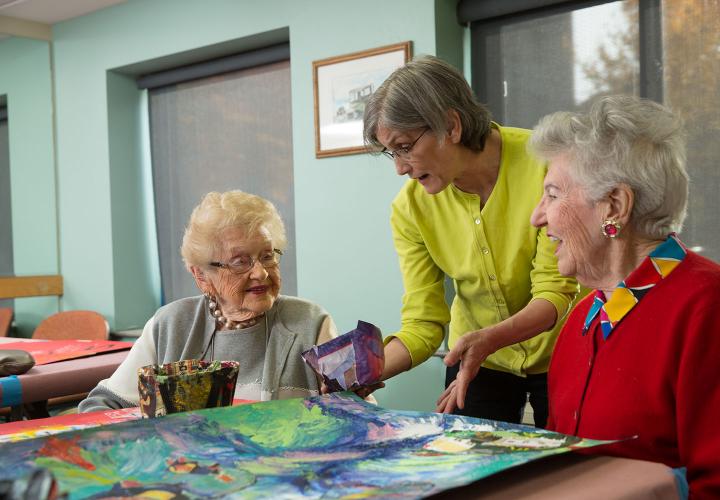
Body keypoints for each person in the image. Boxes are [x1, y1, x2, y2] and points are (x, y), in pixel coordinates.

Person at [362, 55, 578, 426]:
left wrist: (490, 338)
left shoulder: (545, 165)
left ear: (451, 125)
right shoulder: (409, 209)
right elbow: (423, 322)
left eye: (404, 146)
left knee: (569, 473)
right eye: (390, 153)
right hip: (479, 358)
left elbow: (555, 290)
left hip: (563, 350)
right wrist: (363, 374)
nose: (399, 167)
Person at [528, 95, 720, 498]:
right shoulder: (585, 315)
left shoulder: (708, 307)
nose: (537, 216)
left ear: (614, 206)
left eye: (553, 194)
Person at [79, 191, 336, 412]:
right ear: (201, 275)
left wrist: (346, 400)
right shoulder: (171, 324)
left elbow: (358, 412)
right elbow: (102, 405)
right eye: (240, 262)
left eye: (267, 256)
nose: (261, 273)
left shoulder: (311, 323)